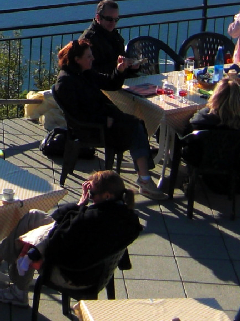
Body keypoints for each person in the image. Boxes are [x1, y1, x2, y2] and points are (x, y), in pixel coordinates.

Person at [0, 170, 141, 305]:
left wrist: (80, 206)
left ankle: (16, 289)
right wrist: (81, 206)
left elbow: (56, 241)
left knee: (33, 240)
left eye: (92, 194)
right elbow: (63, 223)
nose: (90, 196)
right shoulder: (128, 218)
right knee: (33, 217)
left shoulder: (92, 219)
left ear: (107, 196)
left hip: (73, 275)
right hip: (96, 271)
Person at [51, 39, 165, 200]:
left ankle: (144, 176)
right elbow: (76, 114)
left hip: (104, 120)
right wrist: (104, 120)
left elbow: (110, 83)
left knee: (137, 123)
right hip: (91, 128)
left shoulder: (84, 72)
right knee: (135, 127)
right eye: (89, 57)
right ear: (77, 59)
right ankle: (145, 179)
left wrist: (120, 70)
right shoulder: (66, 82)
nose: (92, 59)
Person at [81, 0, 136, 82]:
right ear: (98, 18)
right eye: (109, 19)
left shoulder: (114, 35)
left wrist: (132, 66)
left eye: (116, 19)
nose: (113, 23)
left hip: (118, 80)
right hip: (102, 85)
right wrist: (118, 65)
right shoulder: (88, 40)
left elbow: (122, 59)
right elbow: (89, 71)